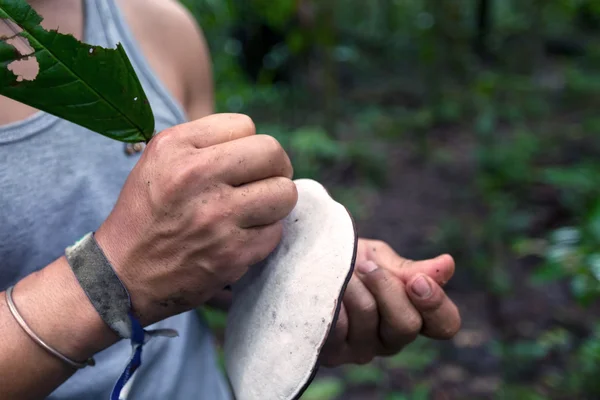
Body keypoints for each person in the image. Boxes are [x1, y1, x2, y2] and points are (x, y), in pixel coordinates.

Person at [0, 0, 461, 399]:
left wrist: (304, 277)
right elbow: (140, 263)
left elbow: (195, 254)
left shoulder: (160, 27)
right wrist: (110, 277)